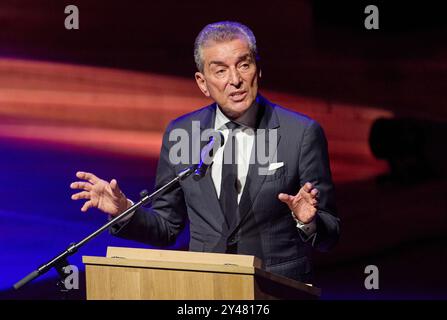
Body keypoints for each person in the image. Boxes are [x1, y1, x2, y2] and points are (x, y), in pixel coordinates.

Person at [70, 21, 340, 283]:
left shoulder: (301, 133)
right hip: (205, 287)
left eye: (244, 65)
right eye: (220, 71)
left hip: (275, 289)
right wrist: (125, 210)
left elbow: (331, 234)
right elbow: (167, 227)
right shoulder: (183, 133)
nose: (235, 80)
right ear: (202, 82)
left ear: (258, 70)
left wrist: (309, 222)